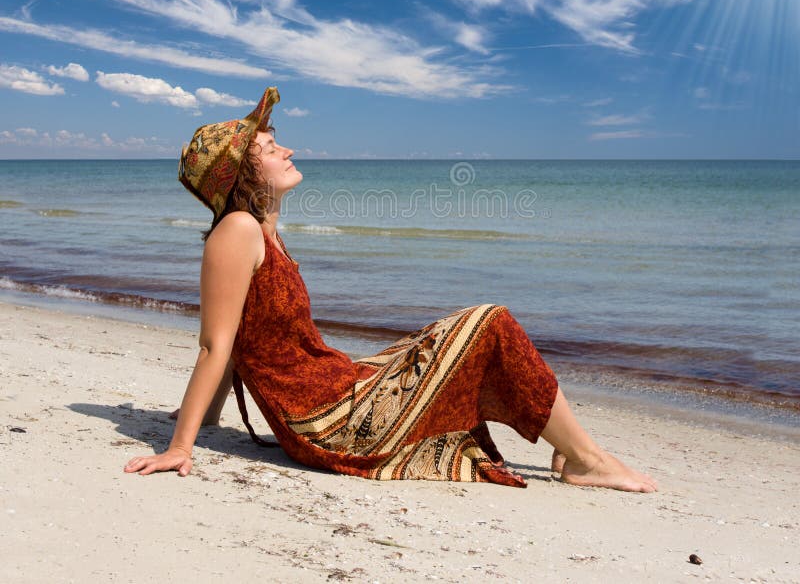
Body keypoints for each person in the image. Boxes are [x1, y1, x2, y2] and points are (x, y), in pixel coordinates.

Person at [124, 87, 656, 492]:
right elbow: (218, 344)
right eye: (267, 146)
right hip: (326, 420)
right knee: (490, 322)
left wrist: (213, 415)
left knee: (454, 335)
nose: (286, 147)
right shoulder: (236, 231)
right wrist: (180, 445)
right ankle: (586, 460)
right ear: (243, 171)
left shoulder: (264, 231)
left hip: (334, 387)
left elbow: (243, 339)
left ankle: (568, 444)